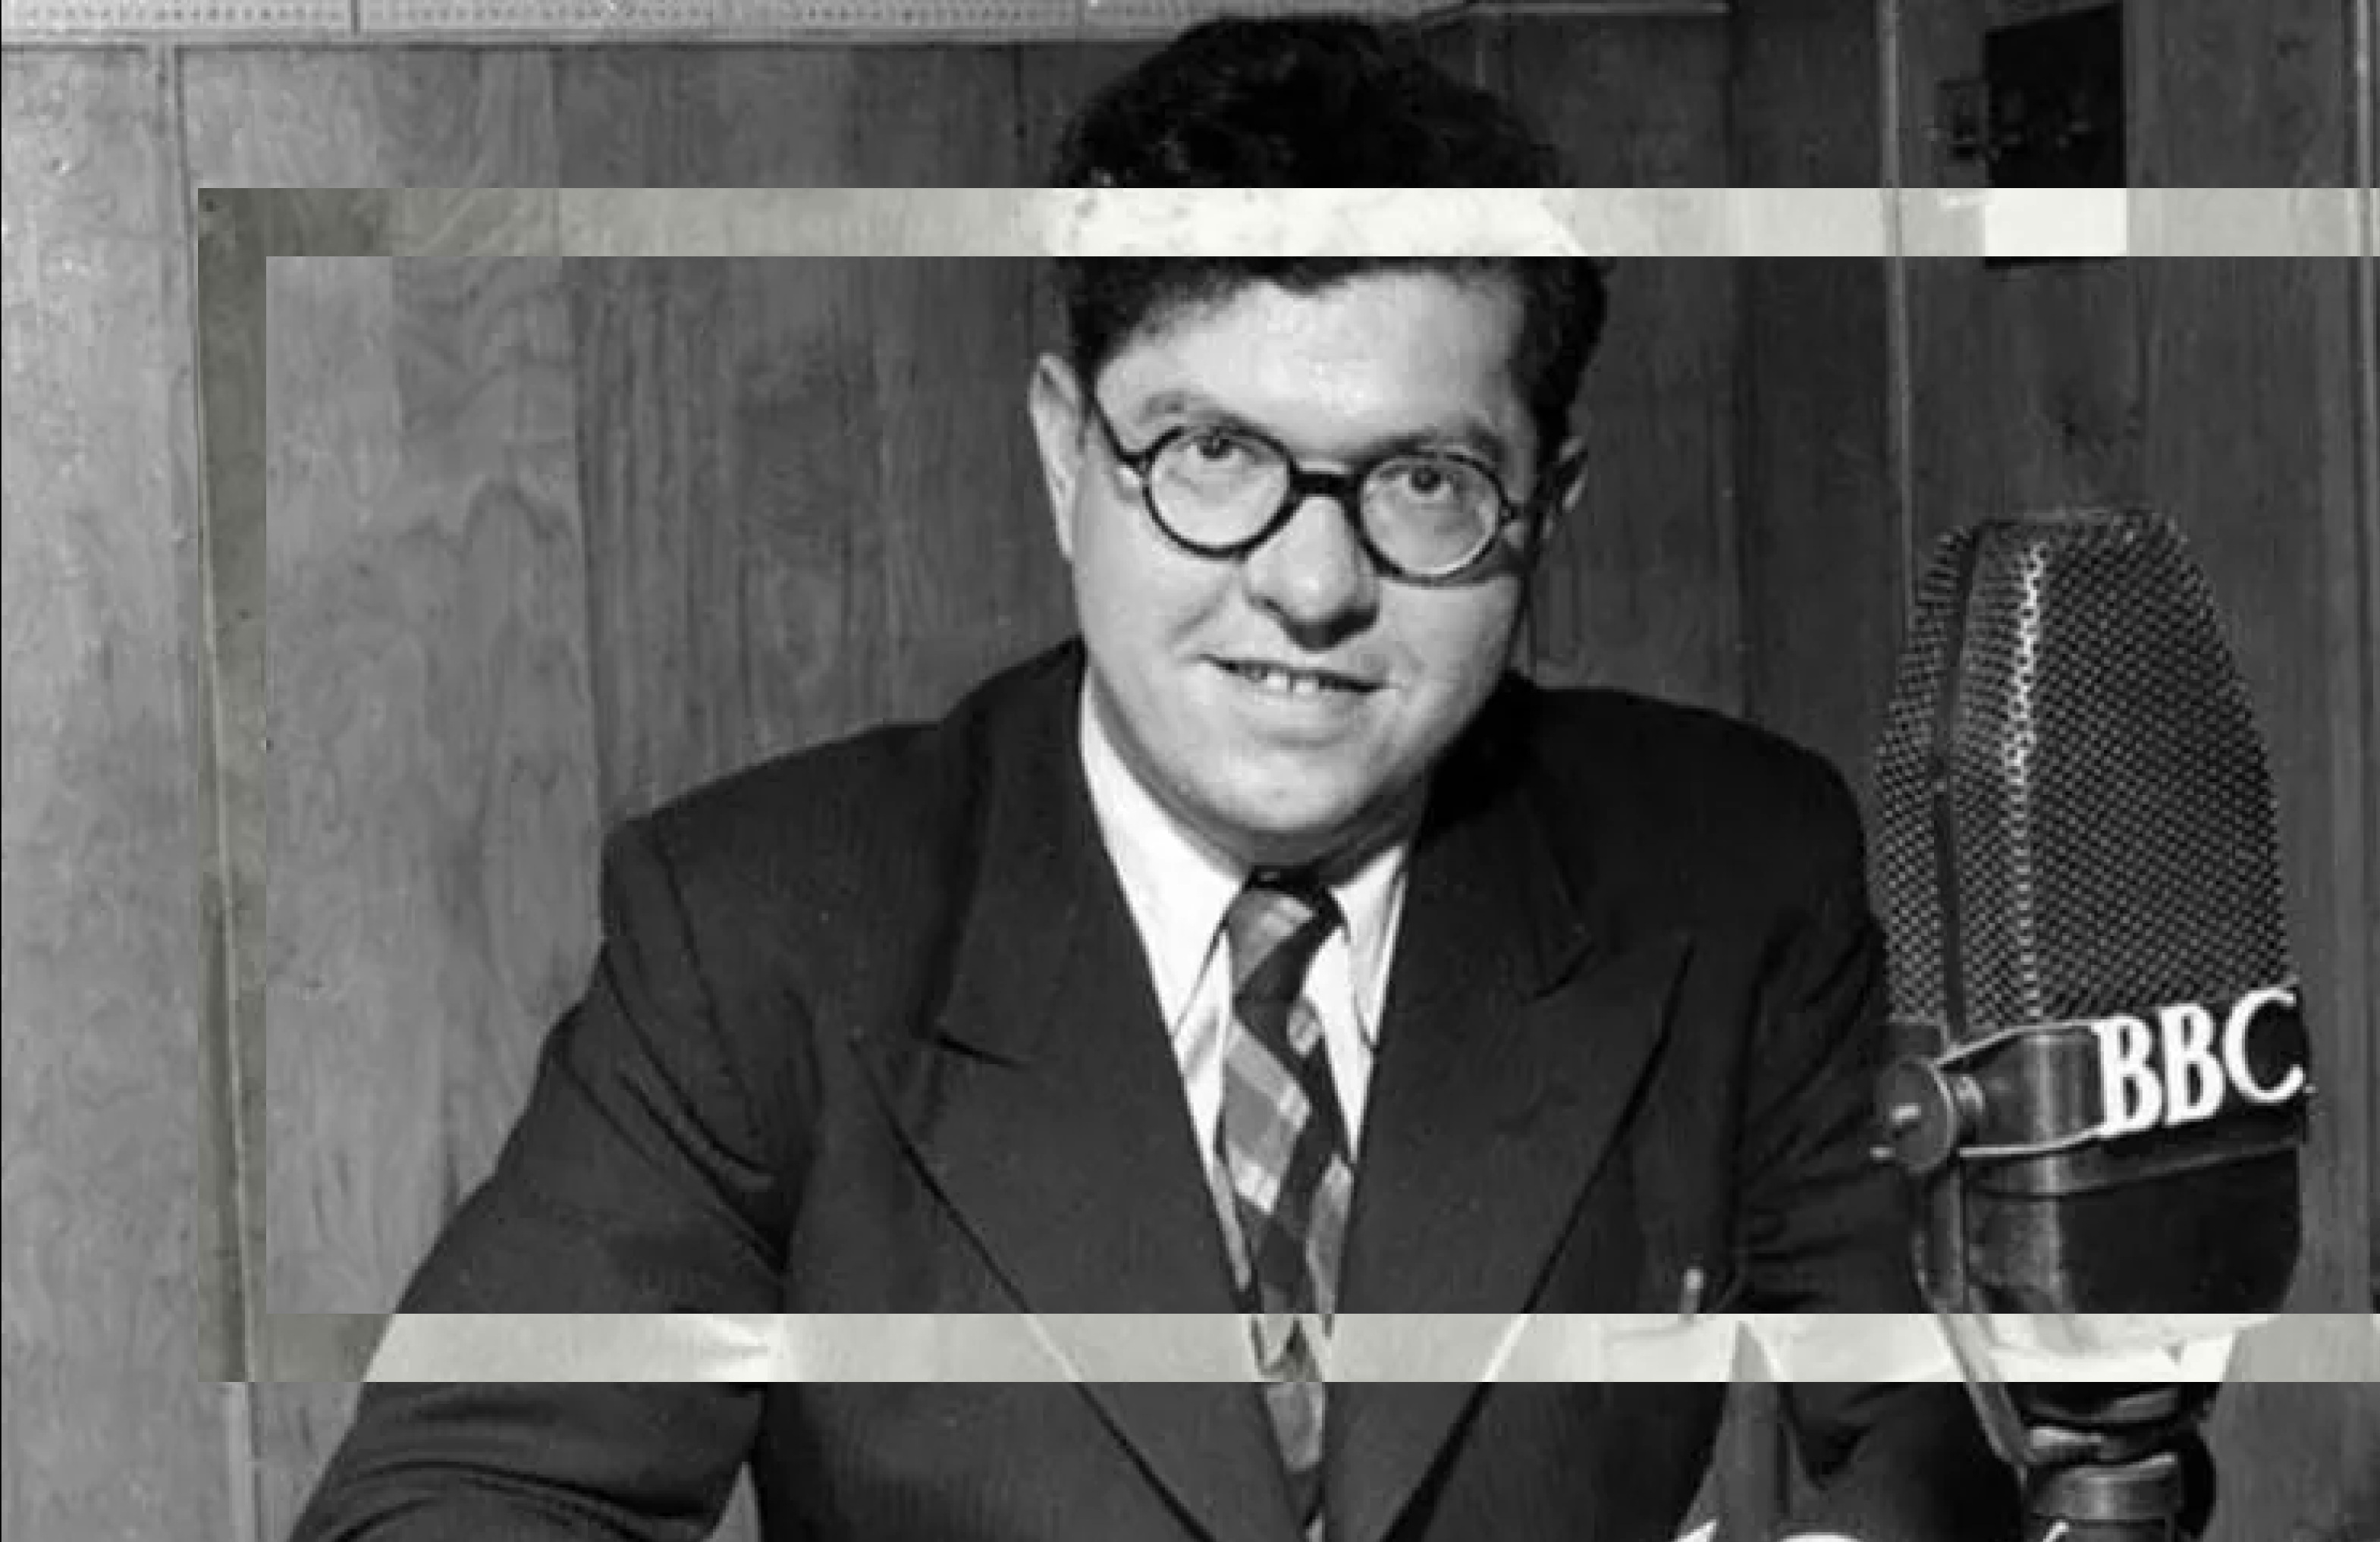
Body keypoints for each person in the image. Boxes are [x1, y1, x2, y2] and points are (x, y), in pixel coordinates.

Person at [291, 16, 2017, 1542]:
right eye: (1212, 456)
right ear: (1067, 453)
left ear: (1544, 508)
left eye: (1420, 479)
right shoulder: (761, 927)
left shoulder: (1729, 866)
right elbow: (451, 1499)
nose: (1311, 582)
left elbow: (1940, 1450)